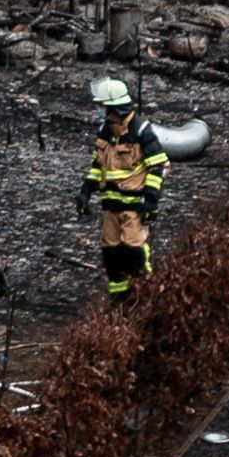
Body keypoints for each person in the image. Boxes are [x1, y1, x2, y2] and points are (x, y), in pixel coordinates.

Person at [78, 76, 165, 300]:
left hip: (134, 207)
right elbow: (98, 164)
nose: (100, 111)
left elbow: (158, 166)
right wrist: (86, 191)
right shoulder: (105, 132)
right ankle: (120, 299)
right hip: (111, 207)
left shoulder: (141, 131)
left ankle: (145, 296)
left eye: (103, 106)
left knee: (133, 251)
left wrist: (151, 201)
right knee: (111, 253)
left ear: (114, 107)